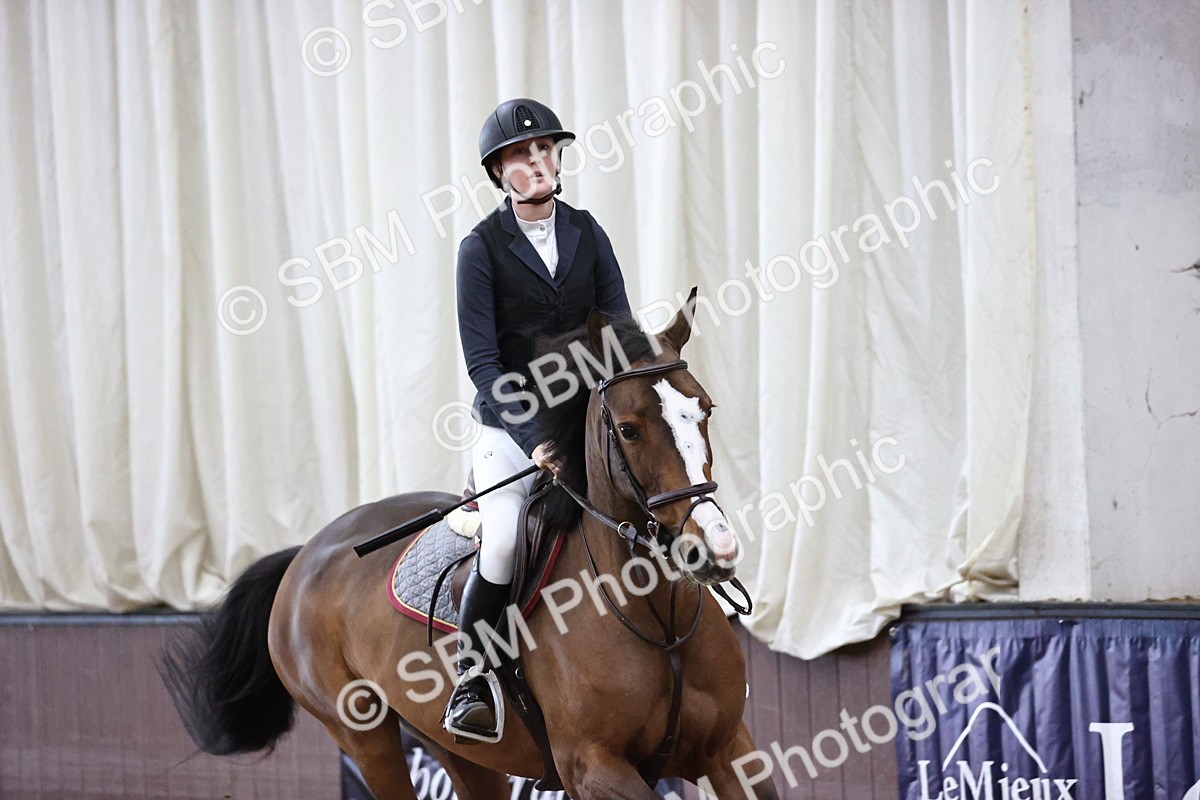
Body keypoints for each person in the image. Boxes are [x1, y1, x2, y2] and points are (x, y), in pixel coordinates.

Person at [445, 98, 632, 741]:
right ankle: (472, 678)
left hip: (584, 421)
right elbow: (484, 363)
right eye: (524, 154)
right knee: (501, 540)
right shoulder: (480, 249)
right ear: (500, 171)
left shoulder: (587, 231)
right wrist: (536, 440)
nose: (539, 159)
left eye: (547, 148)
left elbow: (620, 328)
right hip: (510, 428)